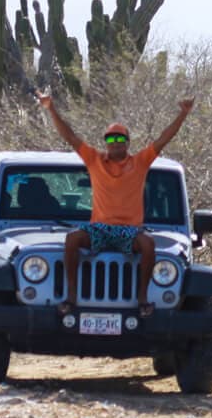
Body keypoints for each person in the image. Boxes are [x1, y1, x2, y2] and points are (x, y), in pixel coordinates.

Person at [35, 90, 194, 318]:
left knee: (148, 244)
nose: (115, 143)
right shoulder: (94, 160)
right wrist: (50, 108)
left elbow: (163, 139)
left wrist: (183, 114)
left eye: (120, 139)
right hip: (100, 228)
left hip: (130, 230)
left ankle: (142, 299)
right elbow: (69, 136)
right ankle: (71, 296)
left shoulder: (140, 162)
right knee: (72, 239)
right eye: (111, 139)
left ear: (128, 143)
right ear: (106, 143)